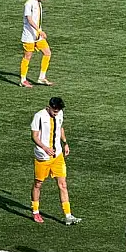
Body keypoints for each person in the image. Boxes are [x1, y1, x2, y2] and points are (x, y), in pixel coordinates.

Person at [30, 96, 81, 225]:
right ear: (49, 107)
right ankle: (35, 211)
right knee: (38, 184)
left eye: (58, 111)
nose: (56, 113)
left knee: (63, 185)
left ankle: (68, 215)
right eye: (55, 111)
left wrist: (65, 142)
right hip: (43, 157)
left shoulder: (60, 114)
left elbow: (60, 128)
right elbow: (34, 136)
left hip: (57, 155)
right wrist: (45, 148)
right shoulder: (39, 116)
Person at [20, 0, 52, 88]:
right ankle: (23, 80)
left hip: (38, 36)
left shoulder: (38, 3)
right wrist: (39, 30)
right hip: (29, 36)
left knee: (47, 53)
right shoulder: (29, 4)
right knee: (27, 56)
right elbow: (29, 19)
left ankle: (42, 77)